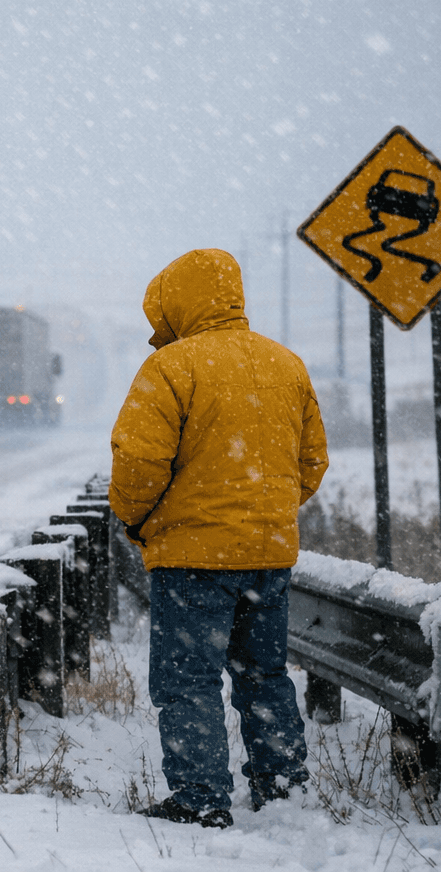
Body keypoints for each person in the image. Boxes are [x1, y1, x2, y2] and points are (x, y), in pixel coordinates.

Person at [109, 248, 329, 829]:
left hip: (191, 559)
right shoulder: (287, 365)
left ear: (177, 303)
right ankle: (282, 790)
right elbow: (310, 463)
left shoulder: (172, 368)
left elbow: (138, 464)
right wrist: (264, 513)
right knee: (265, 675)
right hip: (267, 557)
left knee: (188, 680)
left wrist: (138, 521)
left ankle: (201, 797)